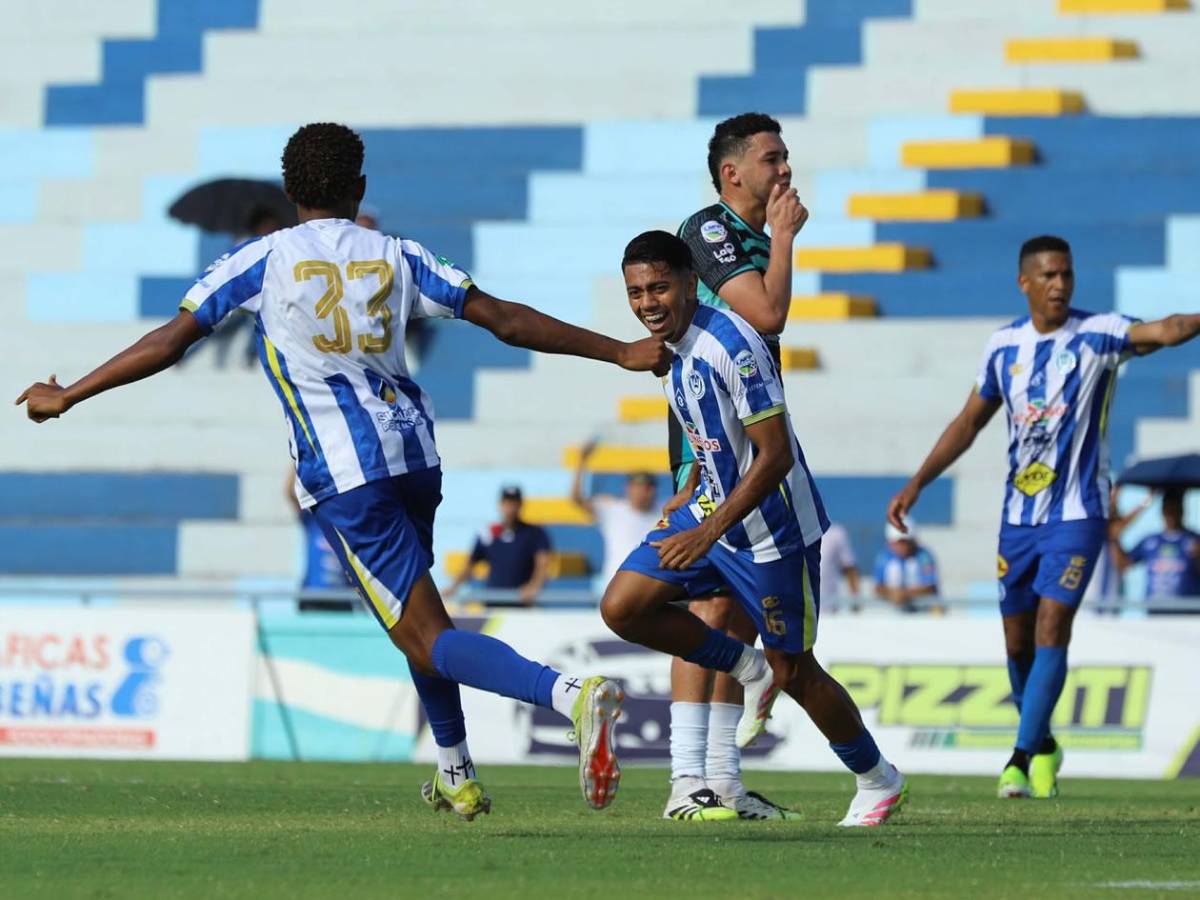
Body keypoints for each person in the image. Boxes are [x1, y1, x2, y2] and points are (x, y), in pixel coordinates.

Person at [15, 122, 673, 819]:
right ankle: (455, 770)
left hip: (346, 474)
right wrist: (619, 352)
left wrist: (70, 394)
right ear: (359, 189)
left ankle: (569, 696)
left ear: (289, 190)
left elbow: (170, 340)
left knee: (423, 634)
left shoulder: (260, 259)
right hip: (416, 458)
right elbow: (506, 320)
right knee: (422, 619)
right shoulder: (398, 253)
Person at [602, 231, 907, 827]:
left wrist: (708, 530)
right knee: (623, 607)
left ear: (691, 282)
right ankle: (747, 666)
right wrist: (692, 493)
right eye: (636, 292)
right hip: (713, 511)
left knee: (797, 670)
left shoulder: (732, 344)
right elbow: (710, 435)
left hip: (774, 531)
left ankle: (878, 778)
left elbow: (774, 455)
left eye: (659, 286)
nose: (647, 303)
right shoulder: (667, 350)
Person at [887, 234, 1200, 801]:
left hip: (1079, 513)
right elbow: (968, 423)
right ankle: (1046, 742)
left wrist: (1190, 320)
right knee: (1017, 643)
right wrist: (917, 483)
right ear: (1025, 282)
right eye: (1050, 276)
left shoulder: (1098, 334)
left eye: (1067, 275)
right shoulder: (1003, 346)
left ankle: (1019, 755)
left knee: (1054, 622)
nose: (1061, 285)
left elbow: (1165, 329)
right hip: (1018, 518)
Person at [660, 112, 810, 821]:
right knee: (707, 610)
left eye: (785, 156)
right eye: (772, 158)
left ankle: (721, 780)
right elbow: (768, 313)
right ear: (733, 173)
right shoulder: (709, 232)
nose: (785, 169)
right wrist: (784, 239)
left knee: (732, 618)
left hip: (746, 442)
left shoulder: (750, 238)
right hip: (707, 449)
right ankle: (685, 779)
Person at [569, 440, 661, 589]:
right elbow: (576, 498)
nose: (643, 492)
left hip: (650, 587)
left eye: (648, 487)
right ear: (628, 488)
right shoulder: (613, 509)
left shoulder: (663, 511)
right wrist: (582, 462)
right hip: (615, 587)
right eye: (638, 487)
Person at [443, 486, 552, 606]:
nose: (510, 508)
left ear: (521, 505)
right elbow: (470, 564)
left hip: (521, 604)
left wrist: (534, 587)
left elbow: (543, 564)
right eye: (507, 503)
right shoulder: (489, 534)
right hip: (493, 603)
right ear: (500, 504)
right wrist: (454, 587)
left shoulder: (534, 533)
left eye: (514, 503)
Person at [1109, 487, 1200, 609]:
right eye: (1168, 509)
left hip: (1185, 612)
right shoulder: (1151, 541)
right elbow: (1123, 565)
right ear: (1162, 511)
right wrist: (1115, 539)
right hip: (1154, 613)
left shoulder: (1194, 540)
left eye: (1175, 509)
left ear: (1182, 510)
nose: (1171, 514)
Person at [285, 469, 355, 612]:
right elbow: (291, 493)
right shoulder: (314, 522)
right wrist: (298, 456)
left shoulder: (348, 526)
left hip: (342, 598)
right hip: (313, 596)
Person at [873, 518, 939, 613]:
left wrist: (905, 594)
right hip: (892, 614)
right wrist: (892, 593)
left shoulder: (923, 556)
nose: (902, 546)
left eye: (905, 541)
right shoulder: (883, 557)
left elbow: (930, 586)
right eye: (898, 542)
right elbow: (878, 587)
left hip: (921, 614)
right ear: (890, 543)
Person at [820, 522, 862, 612]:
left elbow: (850, 568)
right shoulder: (792, 533)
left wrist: (855, 602)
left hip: (828, 611)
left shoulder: (836, 533)